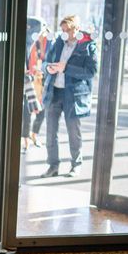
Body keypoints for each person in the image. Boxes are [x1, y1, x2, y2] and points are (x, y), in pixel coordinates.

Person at [40, 14, 98, 178]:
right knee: (50, 132)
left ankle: (76, 165)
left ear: (77, 29)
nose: (64, 33)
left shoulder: (88, 45)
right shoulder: (58, 42)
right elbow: (45, 62)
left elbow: (91, 72)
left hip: (73, 95)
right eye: (63, 30)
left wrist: (66, 68)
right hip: (54, 92)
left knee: (74, 132)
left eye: (68, 30)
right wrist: (48, 68)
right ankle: (53, 166)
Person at [21, 18, 50, 152]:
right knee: (27, 111)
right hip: (29, 80)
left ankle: (34, 134)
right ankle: (25, 139)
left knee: (42, 110)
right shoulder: (27, 42)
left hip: (42, 80)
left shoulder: (49, 42)